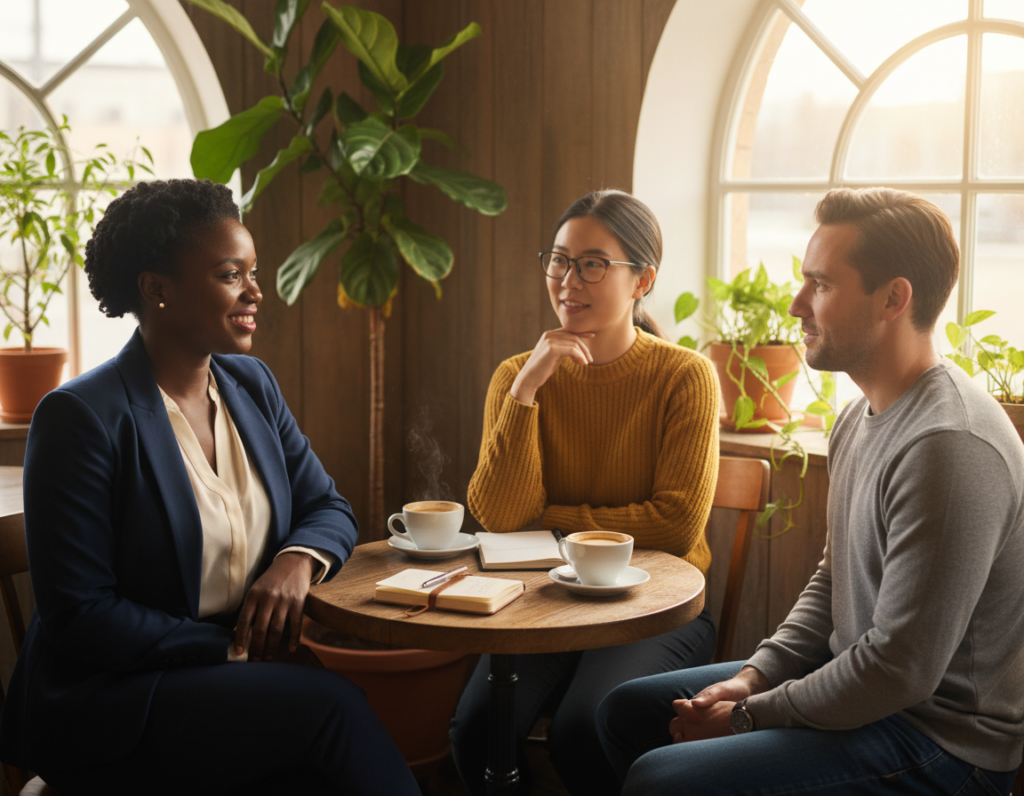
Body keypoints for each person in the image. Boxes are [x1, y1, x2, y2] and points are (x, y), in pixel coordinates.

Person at [597, 187, 1024, 796]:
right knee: (624, 714)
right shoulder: (859, 417)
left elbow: (900, 671)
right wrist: (753, 678)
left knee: (662, 779)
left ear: (893, 298)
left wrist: (750, 714)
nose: (797, 303)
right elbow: (833, 584)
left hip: (941, 743)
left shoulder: (949, 444)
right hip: (865, 688)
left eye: (820, 284)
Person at [0, 179, 420, 795]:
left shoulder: (250, 384)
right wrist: (234, 646)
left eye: (254, 271)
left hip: (235, 687)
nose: (255, 292)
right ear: (158, 289)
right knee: (331, 708)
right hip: (120, 701)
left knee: (316, 768)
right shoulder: (81, 417)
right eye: (231, 275)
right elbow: (83, 618)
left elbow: (326, 506)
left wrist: (296, 560)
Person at [450, 190, 720, 795]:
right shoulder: (518, 375)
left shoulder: (685, 376)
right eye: (559, 260)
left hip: (654, 607)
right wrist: (526, 390)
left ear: (642, 279)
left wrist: (546, 522)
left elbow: (675, 526)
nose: (569, 280)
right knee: (475, 731)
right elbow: (496, 516)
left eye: (592, 263)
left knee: (583, 729)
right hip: (544, 601)